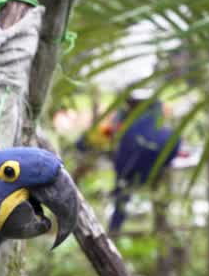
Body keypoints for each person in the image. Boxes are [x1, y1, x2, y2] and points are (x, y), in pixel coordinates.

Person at [76, 90, 183, 233]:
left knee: (122, 198)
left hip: (129, 171)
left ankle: (115, 232)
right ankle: (117, 232)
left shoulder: (128, 126)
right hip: (149, 171)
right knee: (133, 198)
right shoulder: (157, 124)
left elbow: (83, 144)